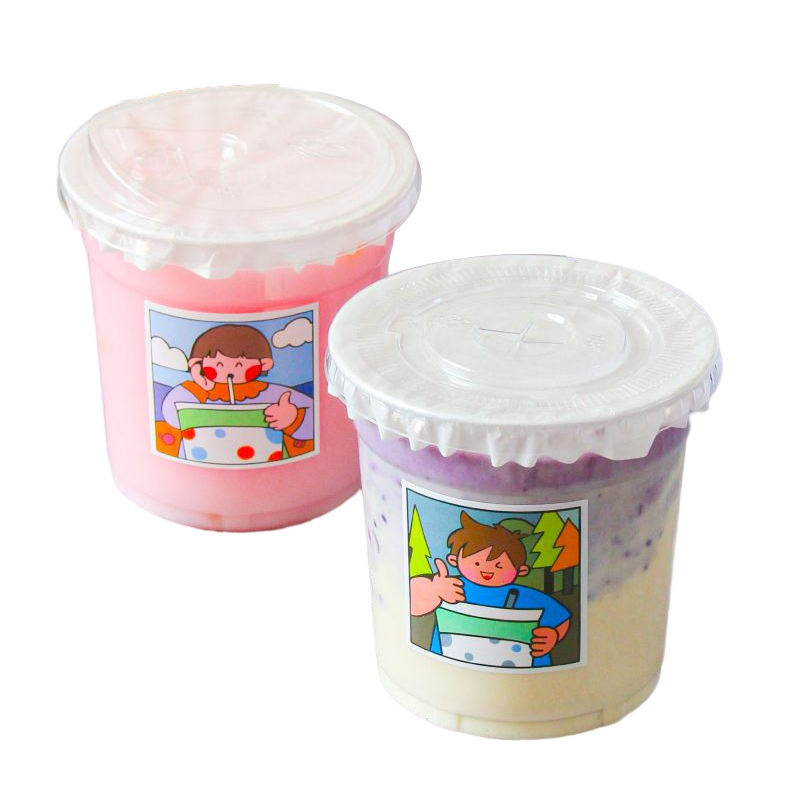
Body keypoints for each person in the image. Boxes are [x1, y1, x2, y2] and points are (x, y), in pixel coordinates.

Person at [410, 511, 571, 666]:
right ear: (454, 560)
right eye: (477, 563)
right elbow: (412, 604)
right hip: (444, 670)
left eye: (499, 565)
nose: (487, 570)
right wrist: (434, 591)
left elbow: (561, 618)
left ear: (521, 571)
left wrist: (553, 635)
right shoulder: (450, 586)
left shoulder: (527, 597)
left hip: (527, 674)